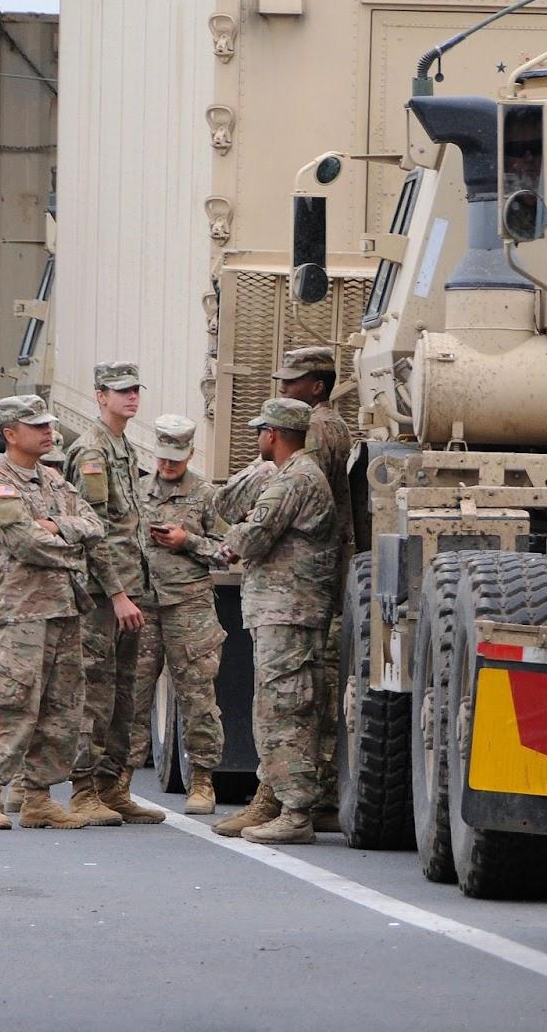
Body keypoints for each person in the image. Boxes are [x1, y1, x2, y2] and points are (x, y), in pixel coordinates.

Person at [0, 395, 104, 831]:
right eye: (37, 426)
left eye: (48, 425)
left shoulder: (54, 481)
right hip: (19, 613)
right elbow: (24, 543)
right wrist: (73, 550)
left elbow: (95, 526)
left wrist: (58, 526)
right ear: (10, 434)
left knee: (62, 707)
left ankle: (38, 796)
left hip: (63, 609)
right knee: (11, 702)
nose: (48, 432)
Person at [211, 398, 339, 845]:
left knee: (285, 708)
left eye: (260, 431)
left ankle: (297, 810)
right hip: (282, 610)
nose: (258, 438)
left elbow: (251, 537)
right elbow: (234, 509)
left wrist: (229, 540)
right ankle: (277, 800)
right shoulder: (291, 474)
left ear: (273, 434)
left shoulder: (296, 478)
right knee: (279, 704)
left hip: (290, 610)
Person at [62, 361, 160, 826]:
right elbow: (93, 532)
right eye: (121, 391)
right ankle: (83, 789)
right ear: (100, 396)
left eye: (135, 389)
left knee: (125, 694)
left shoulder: (124, 447)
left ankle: (112, 787)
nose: (131, 397)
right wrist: (118, 593)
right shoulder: (92, 451)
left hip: (129, 590)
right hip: (104, 595)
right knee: (95, 692)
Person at [127, 414, 227, 815]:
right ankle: (120, 781)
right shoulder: (137, 491)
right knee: (132, 695)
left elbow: (227, 550)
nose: (167, 465)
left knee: (197, 696)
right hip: (144, 605)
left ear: (189, 454)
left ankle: (202, 780)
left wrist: (188, 542)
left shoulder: (206, 496)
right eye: (162, 457)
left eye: (175, 458)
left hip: (189, 606)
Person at [272, 346, 353, 829]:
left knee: (306, 686)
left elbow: (304, 493)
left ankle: (309, 796)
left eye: (293, 381)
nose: (283, 386)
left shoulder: (318, 429)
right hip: (328, 569)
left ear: (317, 387)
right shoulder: (330, 423)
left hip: (313, 573)